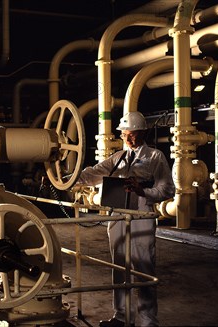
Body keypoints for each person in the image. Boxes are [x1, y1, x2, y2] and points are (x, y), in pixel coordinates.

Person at [75, 111, 175, 327]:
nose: (129, 139)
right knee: (119, 269)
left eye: (133, 135)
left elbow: (168, 189)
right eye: (125, 135)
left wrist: (143, 192)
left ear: (143, 133)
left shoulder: (155, 157)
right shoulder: (117, 158)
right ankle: (122, 318)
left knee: (143, 269)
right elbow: (93, 173)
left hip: (141, 218)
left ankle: (149, 322)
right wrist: (68, 178)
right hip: (118, 217)